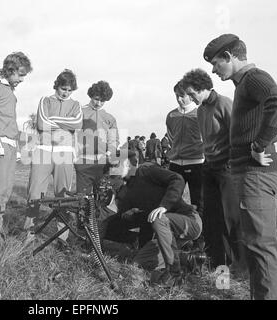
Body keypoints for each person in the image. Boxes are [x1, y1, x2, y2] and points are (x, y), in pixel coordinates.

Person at [204, 33, 277, 299]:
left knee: (262, 245)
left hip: (256, 174)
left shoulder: (254, 78)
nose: (213, 69)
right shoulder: (243, 84)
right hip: (246, 174)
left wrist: (259, 144)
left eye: (216, 62)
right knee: (254, 244)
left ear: (229, 57)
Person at [100, 152, 202, 287]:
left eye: (114, 176)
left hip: (189, 220)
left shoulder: (146, 171)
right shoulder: (127, 190)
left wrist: (164, 206)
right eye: (110, 178)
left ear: (126, 163)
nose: (112, 181)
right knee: (138, 262)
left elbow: (177, 179)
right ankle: (187, 259)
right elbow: (134, 217)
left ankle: (174, 273)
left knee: (158, 218)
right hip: (163, 231)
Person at [181, 68, 246, 271]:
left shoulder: (224, 103)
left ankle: (240, 267)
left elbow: (239, 135)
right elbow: (207, 140)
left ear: (203, 87)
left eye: (192, 93)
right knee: (211, 218)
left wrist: (232, 162)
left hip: (226, 168)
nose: (190, 98)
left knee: (231, 219)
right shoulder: (200, 110)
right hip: (208, 167)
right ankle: (217, 263)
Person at [0, 52, 32, 245]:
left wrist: (16, 148)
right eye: (19, 74)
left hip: (10, 146)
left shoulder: (11, 92)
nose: (21, 79)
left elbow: (10, 121)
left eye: (24, 76)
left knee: (6, 191)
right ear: (10, 69)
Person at [24, 69, 83, 242]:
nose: (66, 93)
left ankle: (62, 237)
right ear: (56, 86)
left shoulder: (76, 105)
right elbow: (41, 123)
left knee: (62, 196)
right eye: (63, 88)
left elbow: (77, 123)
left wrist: (53, 120)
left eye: (69, 90)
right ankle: (29, 232)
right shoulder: (45, 100)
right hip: (43, 150)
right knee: (34, 192)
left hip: (64, 153)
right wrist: (65, 125)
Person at [166, 80, 204, 213]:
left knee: (198, 201)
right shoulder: (171, 115)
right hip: (175, 163)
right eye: (177, 95)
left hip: (196, 163)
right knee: (172, 199)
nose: (179, 99)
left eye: (182, 95)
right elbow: (171, 136)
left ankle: (200, 231)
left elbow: (205, 137)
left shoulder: (200, 113)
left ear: (190, 95)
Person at [75, 80, 119, 194]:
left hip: (102, 163)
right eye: (96, 99)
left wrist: (110, 153)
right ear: (91, 96)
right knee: (83, 198)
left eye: (102, 101)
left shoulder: (110, 118)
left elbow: (113, 139)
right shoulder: (80, 112)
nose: (98, 103)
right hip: (83, 162)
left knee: (101, 198)